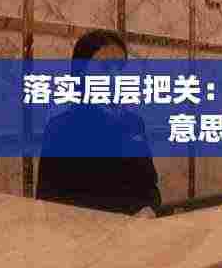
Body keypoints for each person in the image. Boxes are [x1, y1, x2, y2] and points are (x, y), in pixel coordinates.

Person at [36, 30, 161, 217]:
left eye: (120, 68)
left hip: (136, 230)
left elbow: (150, 187)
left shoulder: (134, 123)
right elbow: (48, 201)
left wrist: (149, 209)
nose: (115, 76)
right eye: (104, 67)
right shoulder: (60, 128)